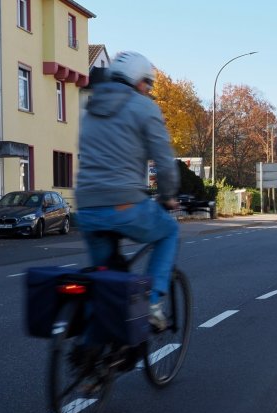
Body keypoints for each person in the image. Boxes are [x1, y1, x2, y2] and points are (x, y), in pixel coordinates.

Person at [75, 51, 178, 329]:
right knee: (169, 232)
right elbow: (164, 161)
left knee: (104, 283)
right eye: (147, 83)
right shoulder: (144, 107)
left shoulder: (90, 110)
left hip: (86, 209)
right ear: (137, 81)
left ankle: (93, 357)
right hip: (124, 205)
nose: (148, 90)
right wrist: (168, 196)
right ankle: (154, 303)